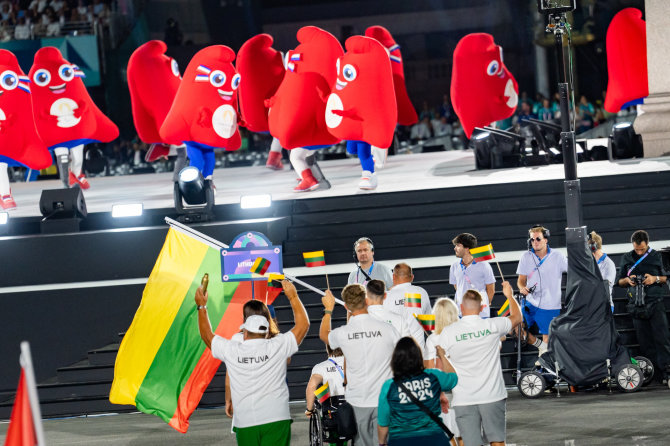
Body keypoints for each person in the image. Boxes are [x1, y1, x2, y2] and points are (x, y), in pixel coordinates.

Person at [195, 280, 309, 445]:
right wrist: (293, 296)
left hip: (246, 420)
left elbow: (207, 335)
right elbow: (303, 325)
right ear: (265, 332)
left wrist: (201, 307)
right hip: (277, 416)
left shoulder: (233, 348)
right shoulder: (278, 344)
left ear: (245, 332)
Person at [437, 283, 522, 446]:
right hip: (492, 396)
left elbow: (443, 367)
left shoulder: (448, 333)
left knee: (471, 444)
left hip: (463, 398)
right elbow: (517, 318)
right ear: (482, 307)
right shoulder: (492, 325)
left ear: (461, 307)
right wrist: (509, 296)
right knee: (497, 442)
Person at [320, 284, 400, 445]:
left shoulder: (343, 333)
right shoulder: (389, 329)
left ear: (345, 306)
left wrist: (328, 309)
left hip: (357, 401)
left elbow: (324, 335)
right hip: (384, 399)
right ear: (366, 300)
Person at [377, 337, 458, 445]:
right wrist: (442, 356)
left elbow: (383, 423)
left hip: (401, 440)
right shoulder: (433, 376)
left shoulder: (390, 386)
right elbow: (453, 377)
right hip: (434, 438)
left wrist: (382, 443)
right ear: (419, 356)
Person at [617, 230, 670, 384]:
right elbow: (619, 282)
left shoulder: (657, 256)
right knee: (644, 341)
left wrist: (655, 278)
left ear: (647, 244)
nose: (639, 252)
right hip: (636, 305)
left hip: (655, 302)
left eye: (642, 249)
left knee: (662, 339)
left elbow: (666, 277)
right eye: (636, 249)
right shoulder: (627, 257)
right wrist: (628, 280)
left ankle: (667, 372)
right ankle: (652, 374)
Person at [224, 300, 280, 420]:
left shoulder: (237, 339)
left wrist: (228, 399)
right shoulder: (277, 338)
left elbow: (231, 373)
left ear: (245, 317)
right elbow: (287, 361)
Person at [516, 225, 567, 356]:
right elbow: (521, 280)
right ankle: (541, 346)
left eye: (538, 239)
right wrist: (522, 288)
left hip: (550, 304)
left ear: (546, 239)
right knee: (515, 328)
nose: (535, 242)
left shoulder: (557, 256)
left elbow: (574, 270)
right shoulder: (526, 256)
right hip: (530, 302)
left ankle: (546, 366)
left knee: (548, 338)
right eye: (532, 240)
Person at [424, 298, 462, 446]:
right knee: (463, 433)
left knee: (448, 434)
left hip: (443, 392)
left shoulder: (432, 339)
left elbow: (429, 371)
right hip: (463, 389)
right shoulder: (461, 335)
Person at [366, 279, 426, 355]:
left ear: (366, 296)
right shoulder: (399, 320)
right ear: (385, 296)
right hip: (395, 365)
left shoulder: (358, 321)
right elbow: (408, 348)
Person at [449, 233, 495, 319]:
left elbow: (491, 290)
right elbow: (456, 286)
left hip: (481, 314)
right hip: (460, 313)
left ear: (467, 248)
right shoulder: (454, 266)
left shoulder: (484, 265)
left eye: (458, 245)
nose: (455, 248)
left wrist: (482, 306)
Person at [590, 231, 616, 312]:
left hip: (604, 307)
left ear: (593, 247)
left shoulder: (609, 264)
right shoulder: (590, 263)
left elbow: (605, 287)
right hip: (592, 306)